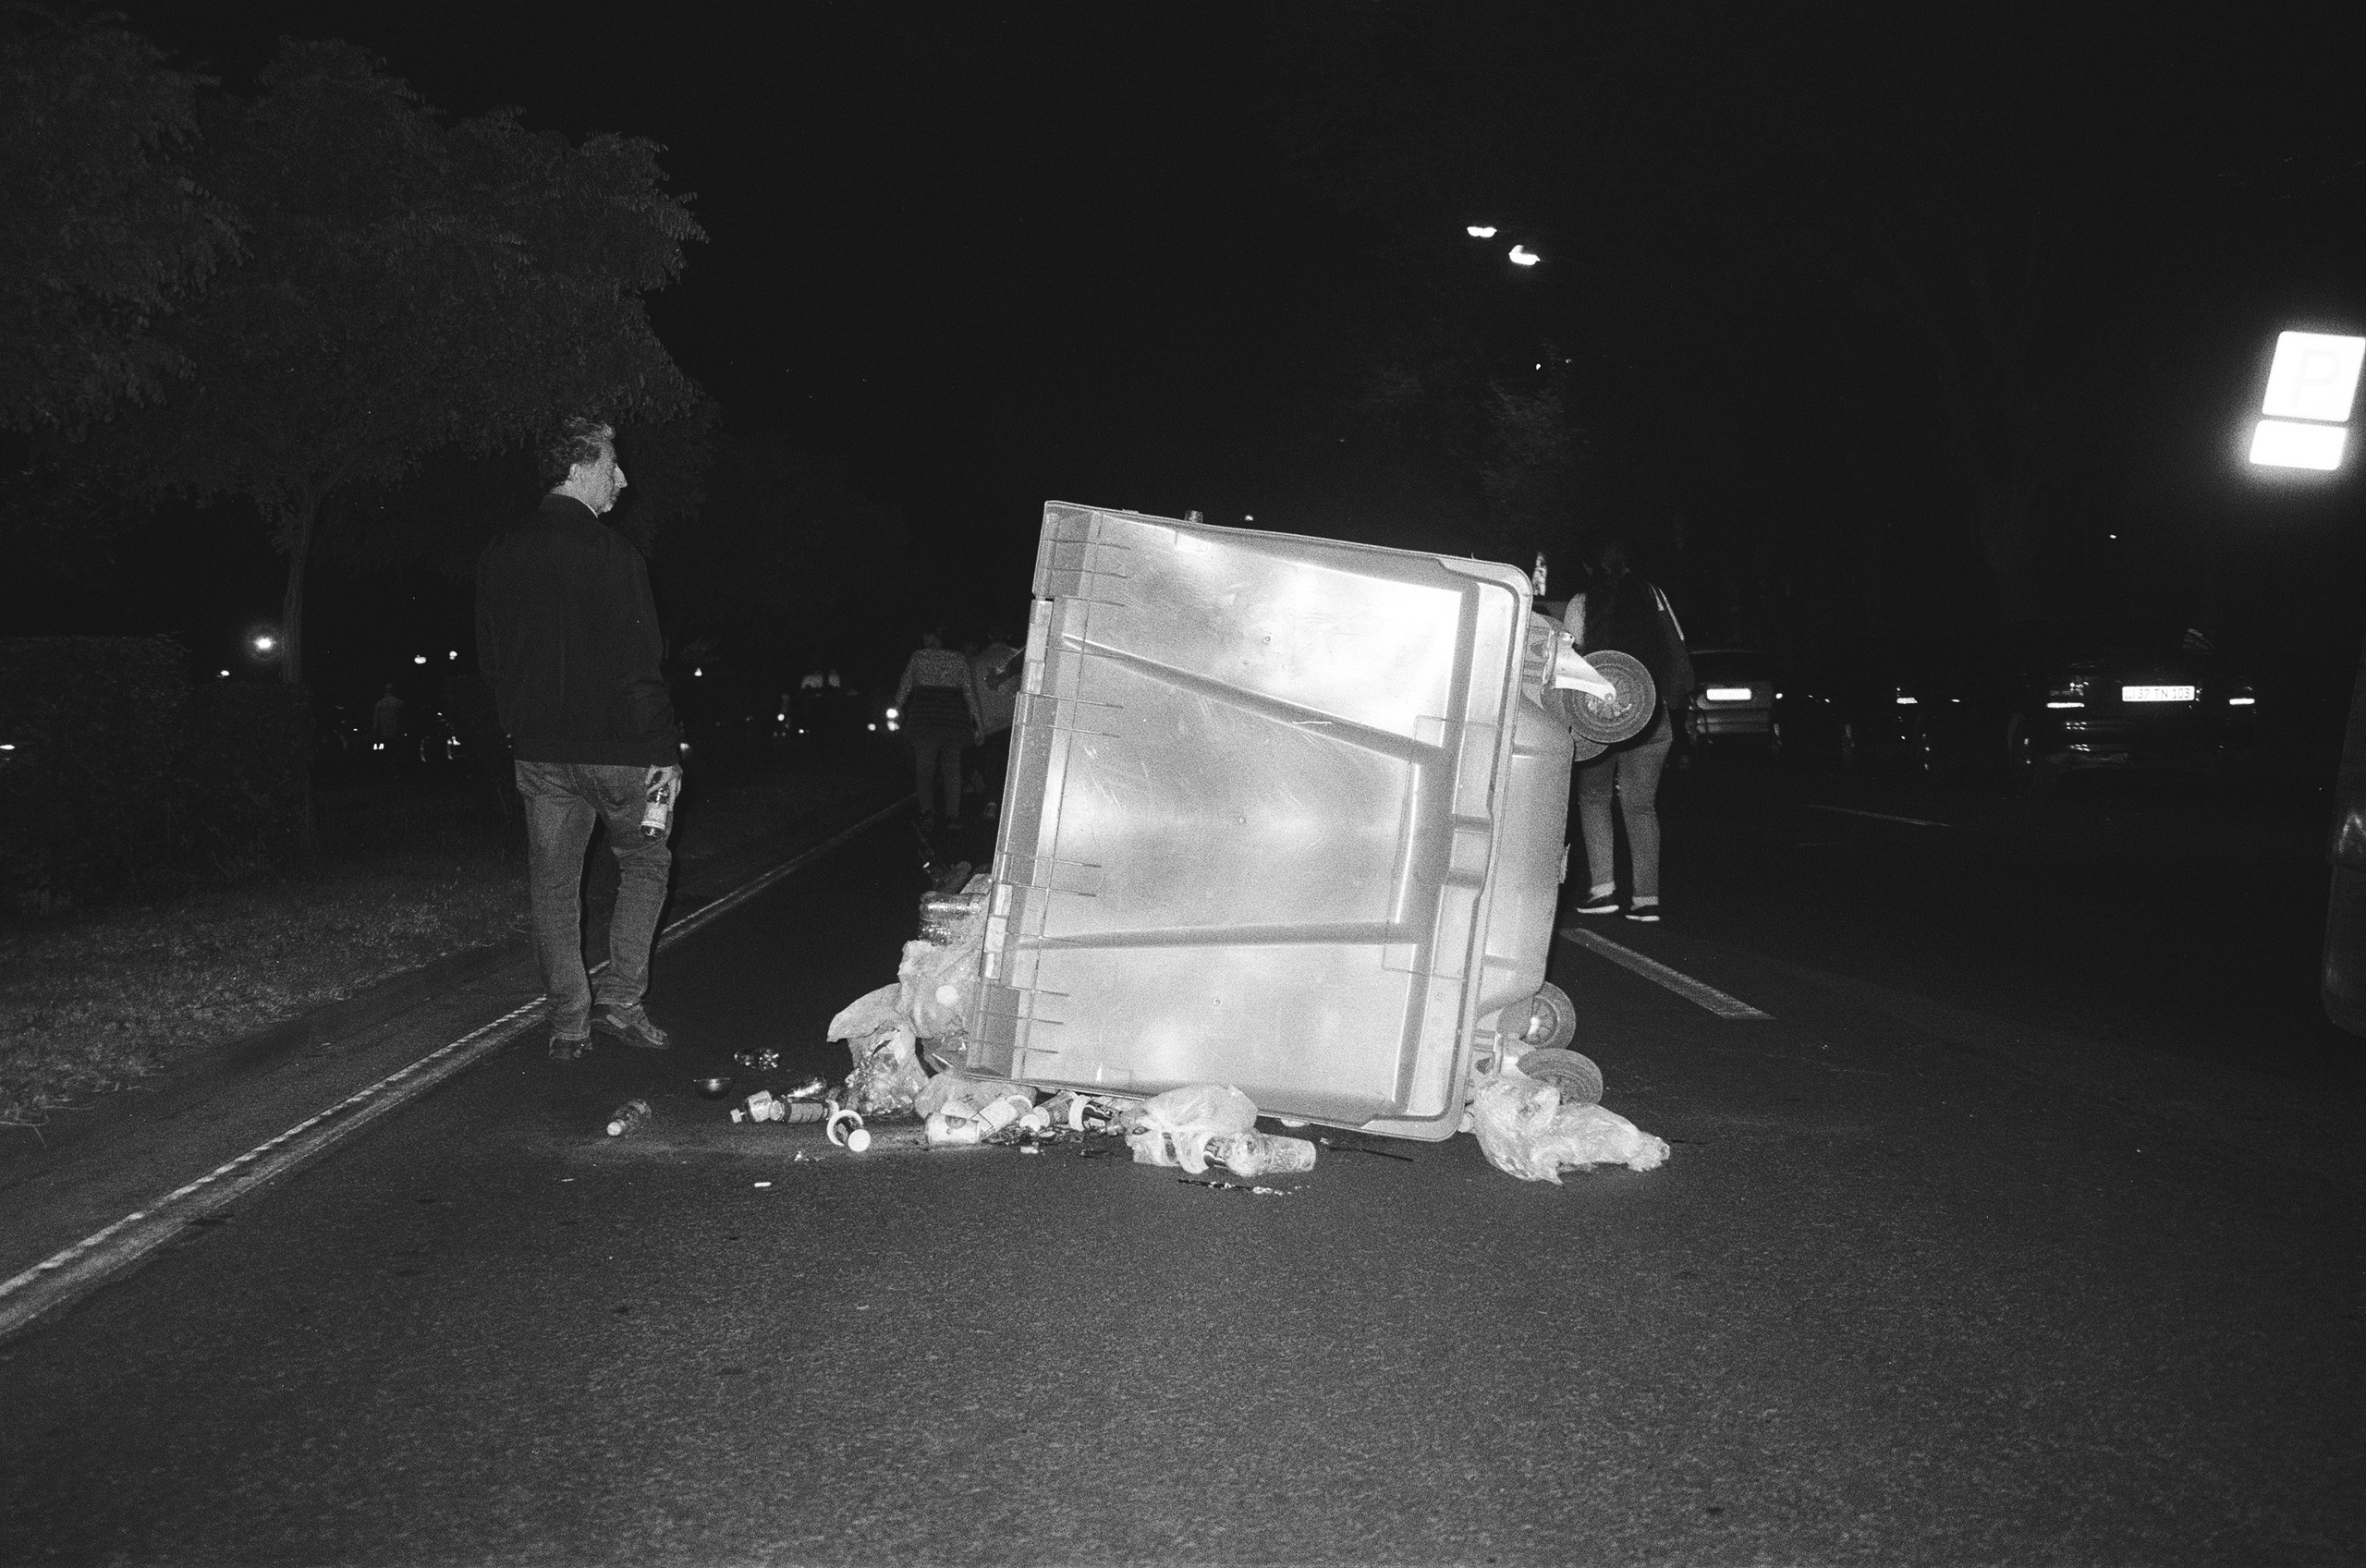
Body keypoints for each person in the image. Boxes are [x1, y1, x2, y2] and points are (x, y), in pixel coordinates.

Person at [476, 417, 684, 1062]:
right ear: (580, 467)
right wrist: (665, 753)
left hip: (540, 751)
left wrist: (518, 723)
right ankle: (621, 997)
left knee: (554, 883)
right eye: (612, 463)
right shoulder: (617, 556)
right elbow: (643, 661)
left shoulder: (501, 553)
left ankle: (570, 1019)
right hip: (624, 752)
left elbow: (490, 656)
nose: (622, 478)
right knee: (647, 860)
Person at [1567, 537, 1692, 924]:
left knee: (1594, 798)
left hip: (1598, 720)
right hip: (1650, 715)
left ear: (1588, 567)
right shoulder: (1653, 596)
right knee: (1640, 806)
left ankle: (1603, 890)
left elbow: (1569, 662)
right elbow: (1677, 648)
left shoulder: (1580, 605)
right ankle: (1646, 899)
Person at [894, 626, 982, 835]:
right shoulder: (958, 659)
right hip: (953, 721)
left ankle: (928, 811)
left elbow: (905, 686)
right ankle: (953, 814)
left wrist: (897, 709)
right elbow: (969, 693)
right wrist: (978, 725)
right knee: (952, 769)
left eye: (928, 634)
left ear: (937, 637)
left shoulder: (918, 658)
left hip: (924, 720)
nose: (925, 638)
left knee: (925, 770)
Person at [968, 624, 1022, 821]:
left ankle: (992, 803)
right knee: (1013, 765)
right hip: (1015, 722)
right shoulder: (1018, 656)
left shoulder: (976, 661)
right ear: (1009, 634)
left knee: (993, 764)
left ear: (989, 635)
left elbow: (971, 695)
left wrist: (976, 725)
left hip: (989, 724)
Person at [371, 684, 408, 770]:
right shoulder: (399, 703)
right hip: (397, 734)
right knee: (397, 754)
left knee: (386, 755)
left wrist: (375, 734)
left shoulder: (379, 704)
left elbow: (376, 721)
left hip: (384, 735)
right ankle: (396, 771)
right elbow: (404, 720)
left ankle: (387, 772)